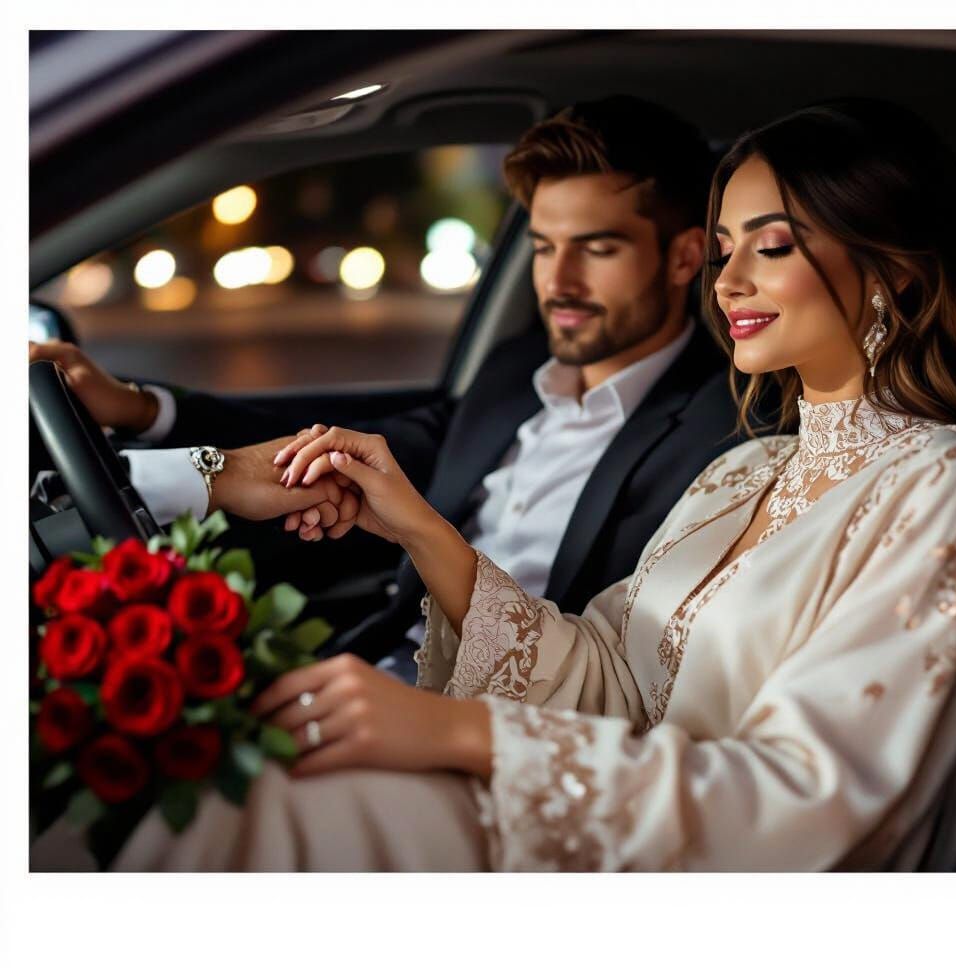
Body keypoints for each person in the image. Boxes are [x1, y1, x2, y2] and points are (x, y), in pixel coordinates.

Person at [41, 96, 956, 873]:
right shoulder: (742, 469)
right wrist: (422, 533)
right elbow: (608, 680)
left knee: (256, 804)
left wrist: (469, 738)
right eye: (725, 250)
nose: (727, 283)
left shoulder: (944, 482)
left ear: (892, 268)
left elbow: (811, 803)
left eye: (775, 245)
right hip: (584, 806)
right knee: (219, 783)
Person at [30, 96, 746, 684]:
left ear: (685, 256)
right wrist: (140, 408)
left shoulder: (729, 434)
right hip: (376, 666)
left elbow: (636, 670)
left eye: (598, 248)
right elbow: (361, 442)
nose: (558, 283)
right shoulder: (511, 375)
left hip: (521, 723)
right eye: (543, 247)